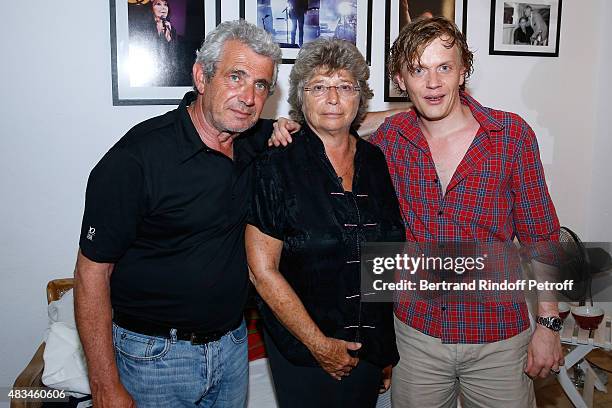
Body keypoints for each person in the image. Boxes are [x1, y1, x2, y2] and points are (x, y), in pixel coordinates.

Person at [74, 20, 282, 407]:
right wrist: (104, 385)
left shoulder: (253, 141)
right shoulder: (135, 160)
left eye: (260, 85)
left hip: (233, 345)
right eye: (236, 77)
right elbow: (91, 273)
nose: (248, 97)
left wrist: (400, 119)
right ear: (202, 77)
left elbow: (327, 130)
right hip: (155, 357)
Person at [372, 16, 563, 407]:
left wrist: (548, 325)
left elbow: (540, 237)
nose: (432, 82)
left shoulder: (511, 136)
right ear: (399, 79)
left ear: (463, 72)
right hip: (416, 336)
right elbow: (335, 124)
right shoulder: (390, 140)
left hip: (499, 340)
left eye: (444, 67)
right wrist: (288, 126)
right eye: (417, 70)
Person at [246, 38, 405, 408]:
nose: (332, 98)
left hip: (368, 349)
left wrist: (383, 348)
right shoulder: (276, 164)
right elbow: (262, 271)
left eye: (345, 87)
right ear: (301, 98)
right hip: (302, 352)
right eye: (319, 86)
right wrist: (319, 344)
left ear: (359, 98)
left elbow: (385, 254)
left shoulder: (375, 161)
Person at [129, 0, 189, 86]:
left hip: (171, 76)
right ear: (151, 8)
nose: (163, 8)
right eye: (158, 4)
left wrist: (169, 39)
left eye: (165, 4)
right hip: (150, 77)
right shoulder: (143, 28)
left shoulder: (173, 30)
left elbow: (176, 57)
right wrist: (160, 34)